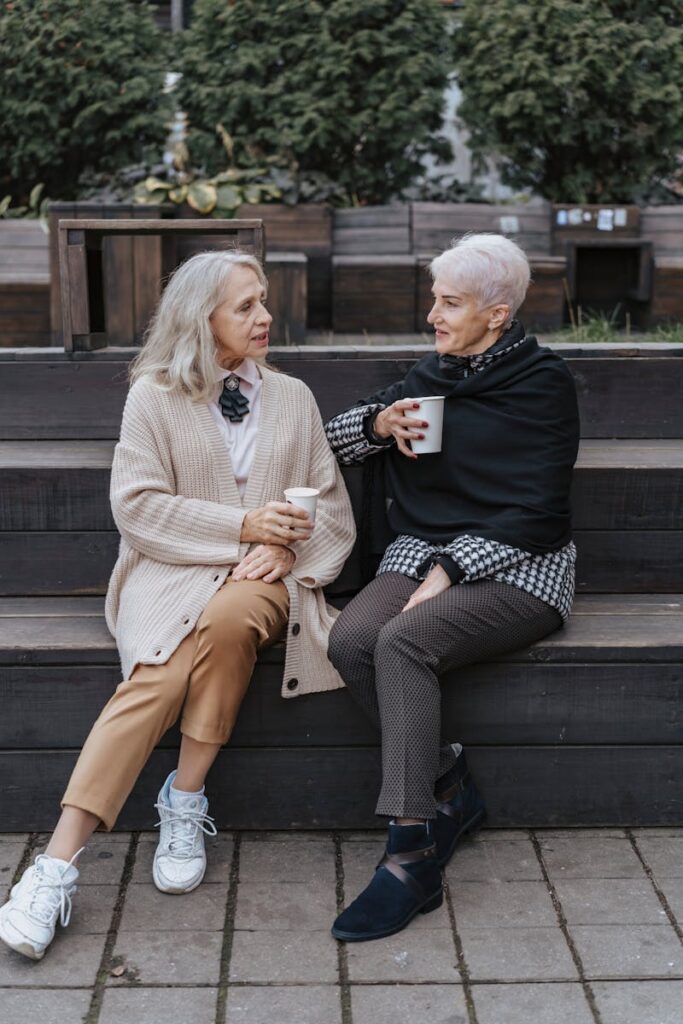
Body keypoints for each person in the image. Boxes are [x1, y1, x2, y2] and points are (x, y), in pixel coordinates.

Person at [0, 250, 355, 960]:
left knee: (230, 618)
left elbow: (333, 511)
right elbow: (136, 509)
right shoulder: (154, 396)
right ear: (202, 320)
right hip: (167, 576)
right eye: (245, 306)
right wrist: (240, 526)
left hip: (265, 581)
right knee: (158, 674)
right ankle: (56, 864)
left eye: (261, 301)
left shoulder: (294, 397)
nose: (264, 317)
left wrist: (284, 552)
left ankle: (183, 798)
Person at [324, 233, 580, 942]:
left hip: (520, 565)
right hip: (420, 549)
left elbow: (540, 512)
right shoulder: (431, 375)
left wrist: (451, 570)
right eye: (433, 297)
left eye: (449, 302)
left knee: (402, 640)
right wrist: (377, 425)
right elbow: (332, 439)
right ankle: (449, 786)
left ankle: (411, 854)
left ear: (495, 315)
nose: (432, 314)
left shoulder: (543, 384)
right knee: (348, 639)